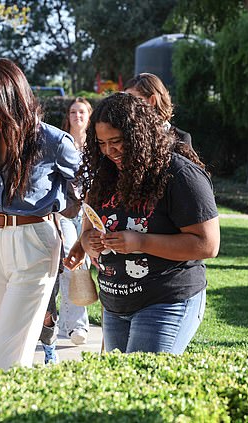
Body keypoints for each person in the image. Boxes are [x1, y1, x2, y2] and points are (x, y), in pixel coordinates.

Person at [66, 92, 219, 354]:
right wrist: (86, 241)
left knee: (142, 386)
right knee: (118, 389)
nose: (109, 150)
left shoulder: (179, 174)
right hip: (115, 305)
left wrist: (140, 242)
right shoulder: (105, 174)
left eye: (116, 141)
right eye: (101, 143)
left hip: (166, 300)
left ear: (139, 135)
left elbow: (207, 244)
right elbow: (91, 224)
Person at [0, 58, 80, 373]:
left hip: (34, 244)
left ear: (11, 99)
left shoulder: (54, 142)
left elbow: (87, 188)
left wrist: (67, 212)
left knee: (7, 352)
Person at [56, 97, 93, 345]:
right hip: (65, 212)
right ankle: (77, 326)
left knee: (85, 264)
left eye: (81, 112)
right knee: (73, 262)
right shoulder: (61, 142)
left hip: (90, 212)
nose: (77, 115)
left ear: (89, 116)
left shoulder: (97, 145)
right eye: (73, 111)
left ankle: (65, 324)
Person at [123, 73, 192, 146]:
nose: (128, 105)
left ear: (152, 100)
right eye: (125, 100)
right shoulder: (125, 134)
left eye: (134, 100)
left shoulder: (180, 138)